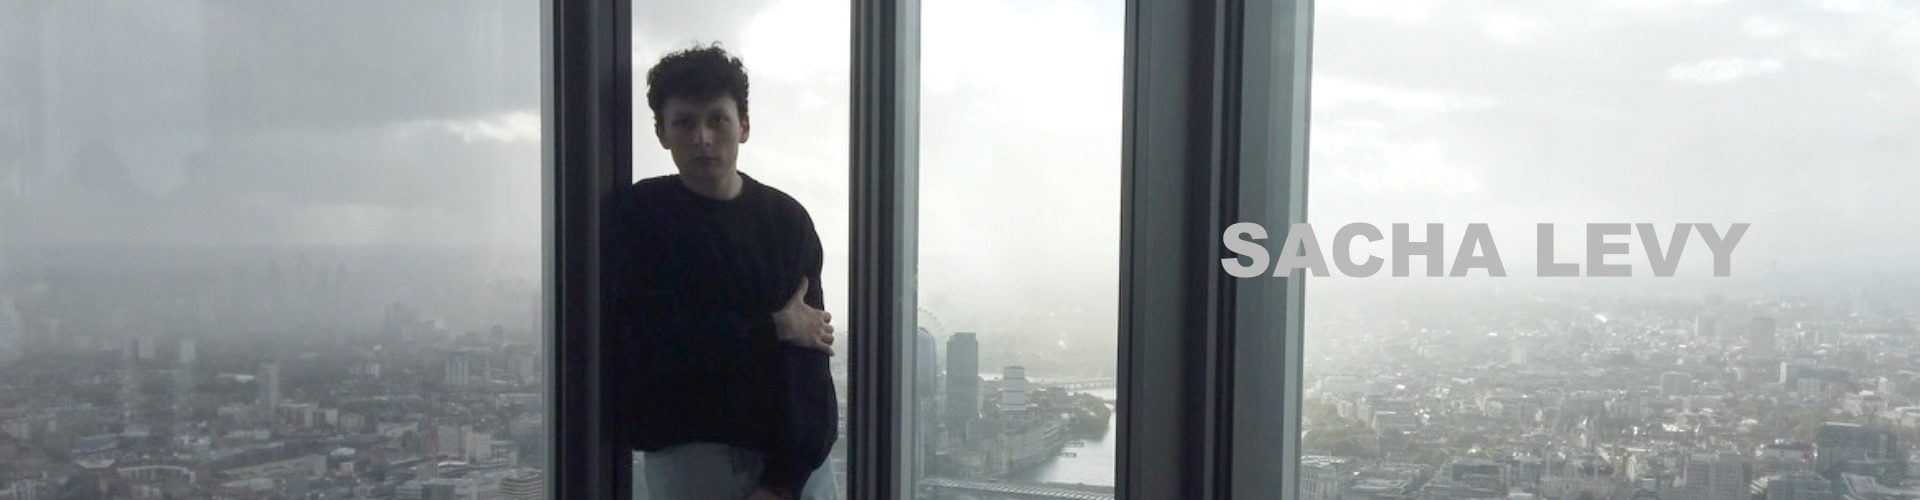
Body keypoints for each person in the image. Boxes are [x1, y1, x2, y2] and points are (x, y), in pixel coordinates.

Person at [609, 44, 839, 500]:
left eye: (717, 119)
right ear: (661, 133)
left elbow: (810, 357)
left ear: (744, 126)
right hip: (692, 459)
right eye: (684, 123)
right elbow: (655, 347)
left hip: (795, 467)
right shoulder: (642, 217)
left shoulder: (786, 220)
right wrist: (774, 327)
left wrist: (783, 483)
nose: (703, 138)